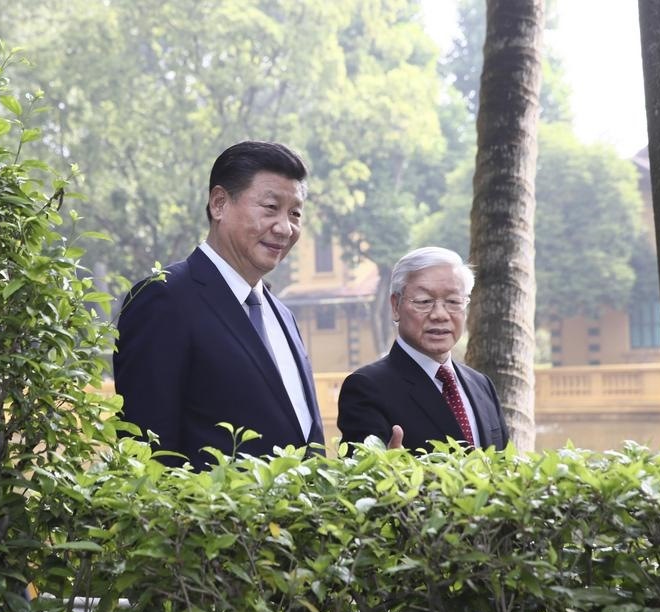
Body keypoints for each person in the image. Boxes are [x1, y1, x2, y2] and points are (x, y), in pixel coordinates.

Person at [114, 141, 323, 470]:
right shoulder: (164, 298)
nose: (285, 228)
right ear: (219, 204)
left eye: (295, 213)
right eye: (271, 207)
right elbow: (147, 452)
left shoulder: (283, 316)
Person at [337, 246, 508, 452]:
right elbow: (361, 469)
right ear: (396, 306)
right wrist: (389, 467)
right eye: (424, 301)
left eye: (453, 301)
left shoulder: (481, 385)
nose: (440, 315)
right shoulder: (367, 388)